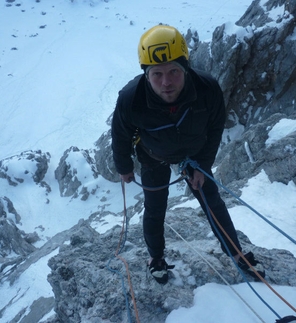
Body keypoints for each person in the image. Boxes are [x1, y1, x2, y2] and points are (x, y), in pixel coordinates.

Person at [111, 24, 265, 284]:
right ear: (146, 75)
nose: (166, 82)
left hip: (192, 155)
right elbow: (120, 134)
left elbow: (216, 126)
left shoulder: (207, 89)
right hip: (153, 156)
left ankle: (237, 254)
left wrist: (202, 165)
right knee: (155, 207)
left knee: (212, 201)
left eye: (174, 71)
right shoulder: (131, 99)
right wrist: (124, 166)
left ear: (186, 68)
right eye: (157, 74)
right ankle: (156, 258)